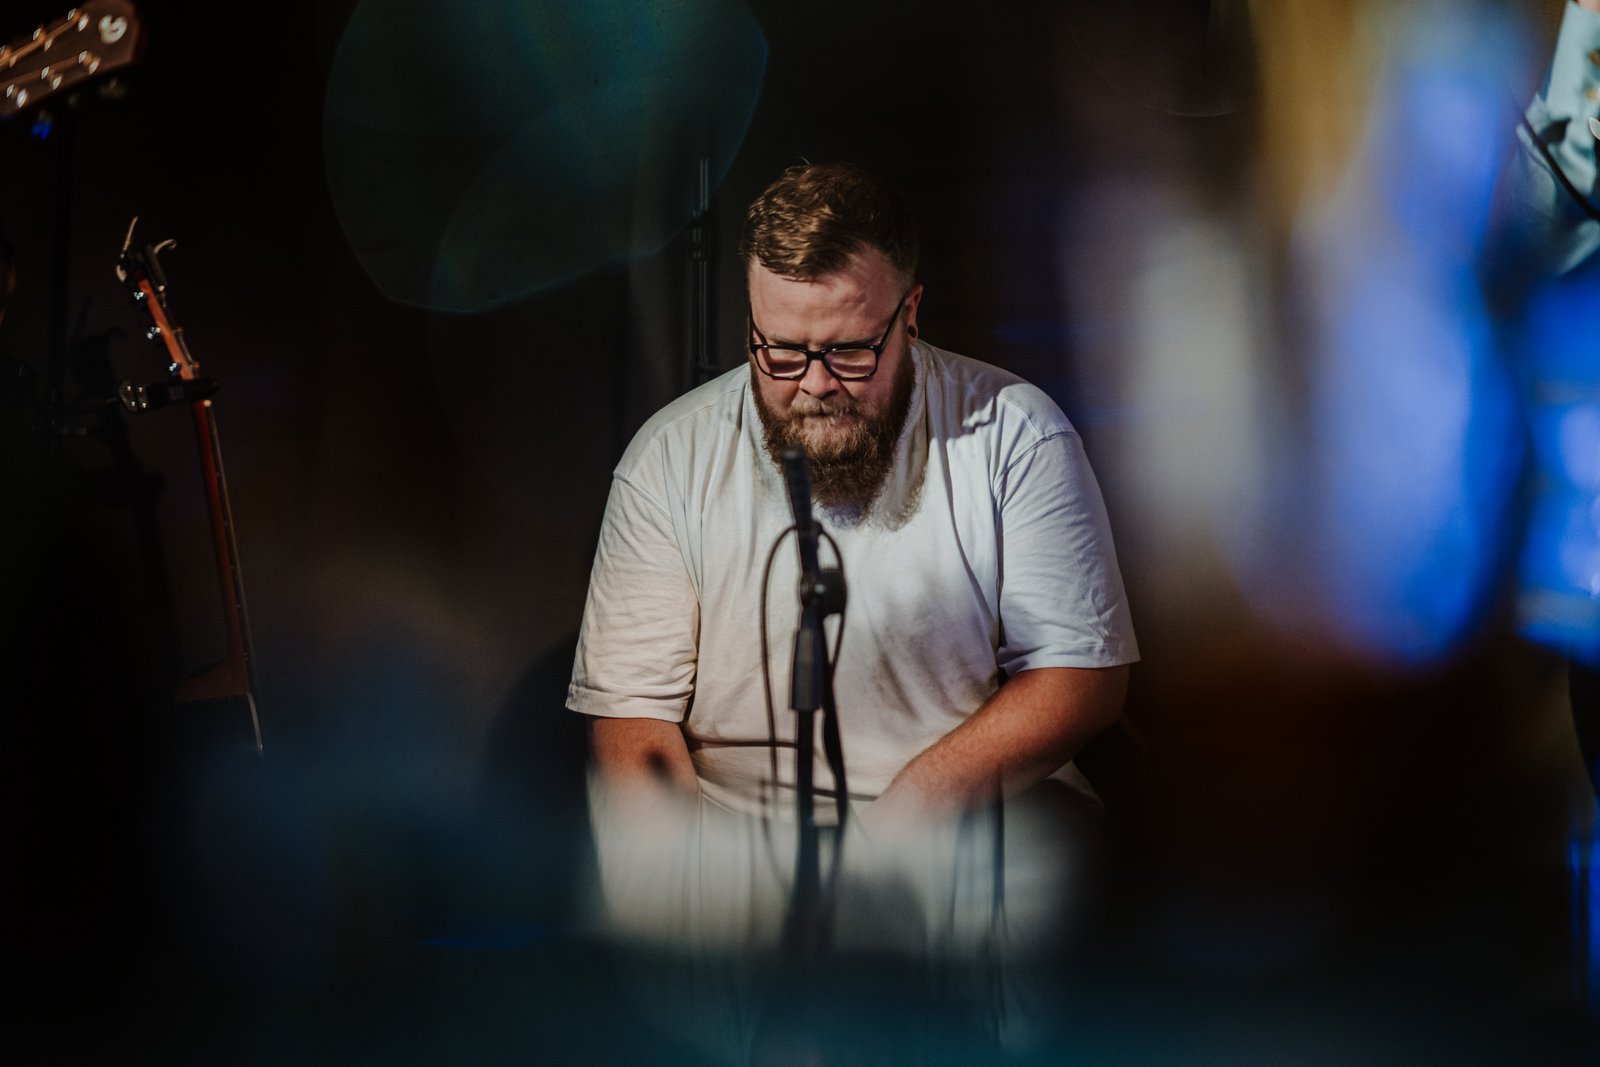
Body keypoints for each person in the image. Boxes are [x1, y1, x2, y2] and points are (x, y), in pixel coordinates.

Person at [567, 162, 1138, 954]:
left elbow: (1082, 679)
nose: (814, 385)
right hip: (737, 854)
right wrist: (687, 890)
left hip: (960, 837)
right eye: (781, 351)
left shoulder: (1016, 435)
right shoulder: (669, 459)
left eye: (848, 351)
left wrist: (901, 820)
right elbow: (632, 719)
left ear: (910, 313)